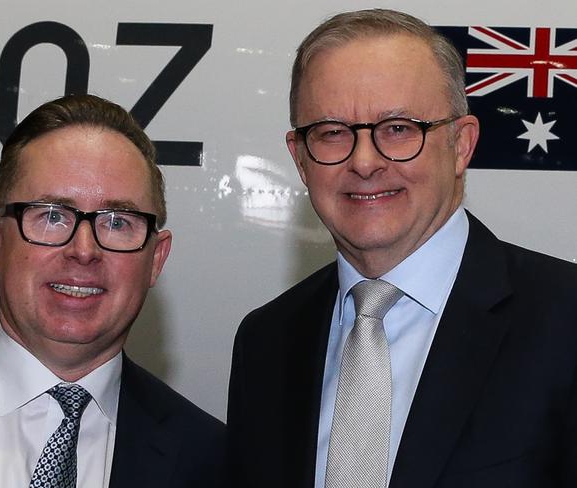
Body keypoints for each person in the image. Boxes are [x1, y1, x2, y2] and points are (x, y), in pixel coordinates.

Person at [227, 9, 577, 488]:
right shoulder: (266, 342)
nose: (365, 162)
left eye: (398, 129)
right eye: (332, 132)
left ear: (460, 144)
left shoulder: (565, 320)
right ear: (300, 159)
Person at [0, 94, 224, 487]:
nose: (84, 250)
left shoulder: (214, 462)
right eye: (51, 215)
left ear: (157, 258)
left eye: (118, 222)